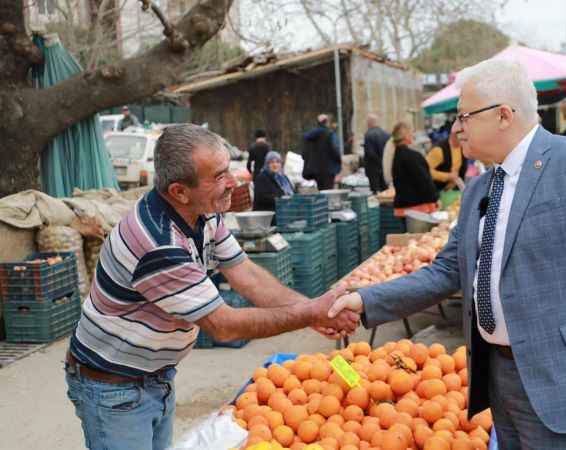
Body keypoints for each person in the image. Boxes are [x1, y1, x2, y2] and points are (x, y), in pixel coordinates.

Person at [329, 59, 566, 450]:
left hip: (564, 382)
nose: (455, 128)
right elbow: (447, 271)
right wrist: (365, 299)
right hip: (499, 379)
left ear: (503, 115)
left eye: (464, 116)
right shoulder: (480, 189)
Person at [64, 124, 358, 450]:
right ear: (179, 191)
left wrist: (314, 310)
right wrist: (308, 314)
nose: (231, 182)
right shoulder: (159, 244)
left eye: (228, 169)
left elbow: (245, 274)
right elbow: (224, 325)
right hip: (114, 387)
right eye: (218, 176)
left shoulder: (202, 212)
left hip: (154, 375)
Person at [390, 121, 438, 217]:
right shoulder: (412, 156)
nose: (413, 135)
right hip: (418, 208)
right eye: (411, 132)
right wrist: (435, 198)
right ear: (406, 136)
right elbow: (424, 182)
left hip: (402, 207)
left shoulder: (396, 155)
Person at [302, 114, 342, 190]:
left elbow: (304, 154)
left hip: (315, 170)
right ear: (327, 123)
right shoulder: (329, 134)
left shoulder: (309, 136)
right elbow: (335, 150)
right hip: (329, 169)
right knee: (328, 192)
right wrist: (339, 161)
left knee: (321, 190)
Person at [363, 114, 389, 193]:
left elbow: (370, 152)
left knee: (375, 191)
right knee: (385, 189)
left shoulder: (368, 134)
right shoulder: (386, 134)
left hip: (373, 167)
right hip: (384, 166)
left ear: (369, 123)